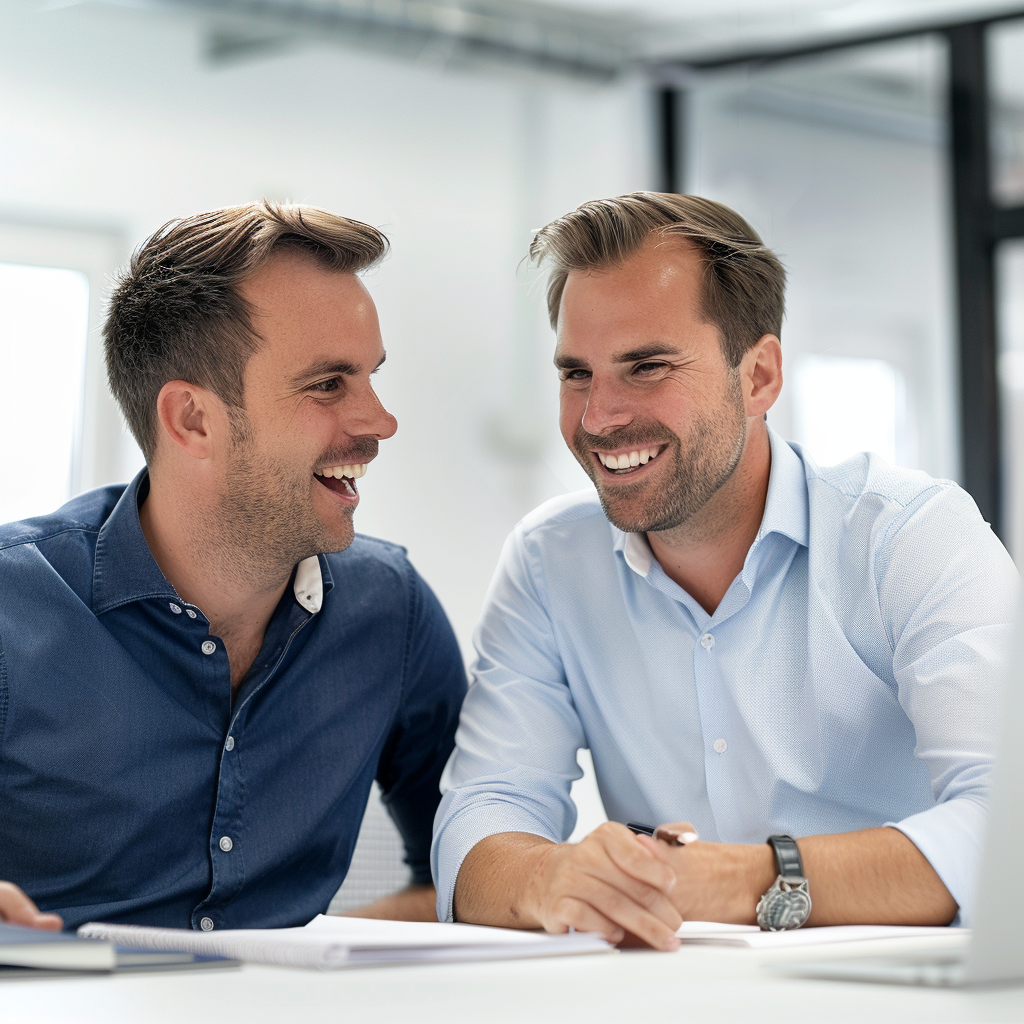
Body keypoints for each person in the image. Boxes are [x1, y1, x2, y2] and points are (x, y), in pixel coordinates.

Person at [432, 192, 1017, 950]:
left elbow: (1009, 832)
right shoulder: (550, 563)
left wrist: (746, 880)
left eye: (647, 367)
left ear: (761, 377)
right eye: (577, 374)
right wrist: (554, 879)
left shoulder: (907, 536)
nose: (599, 417)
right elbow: (480, 818)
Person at [0, 201, 466, 932]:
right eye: (328, 384)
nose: (381, 421)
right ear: (192, 419)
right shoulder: (11, 607)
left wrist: (313, 965)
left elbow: (472, 872)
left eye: (372, 376)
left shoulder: (391, 609)